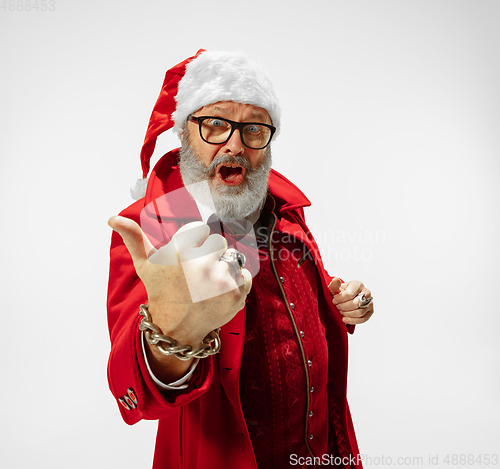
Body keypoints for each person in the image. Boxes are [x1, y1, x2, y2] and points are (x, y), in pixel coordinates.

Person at [106, 49, 374, 469]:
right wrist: (174, 334)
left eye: (253, 129)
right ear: (184, 133)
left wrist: (340, 298)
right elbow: (135, 389)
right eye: (215, 124)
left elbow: (294, 288)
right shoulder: (155, 225)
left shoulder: (283, 206)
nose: (234, 143)